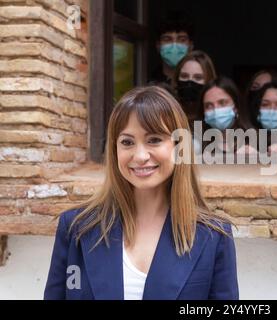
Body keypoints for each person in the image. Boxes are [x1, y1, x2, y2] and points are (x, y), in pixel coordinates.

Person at [44, 86, 239, 300]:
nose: (140, 156)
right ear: (114, 150)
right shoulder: (76, 228)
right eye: (127, 142)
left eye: (154, 139)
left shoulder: (213, 236)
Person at [196, 77, 253, 154]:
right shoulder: (196, 145)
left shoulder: (256, 141)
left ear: (236, 107)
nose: (216, 110)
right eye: (209, 106)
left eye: (222, 103)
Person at [172, 50, 217, 125]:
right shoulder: (167, 116)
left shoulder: (216, 119)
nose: (190, 82)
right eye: (184, 76)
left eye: (198, 77)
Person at [149, 11, 195, 84]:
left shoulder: (199, 84)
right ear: (158, 46)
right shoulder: (148, 85)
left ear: (191, 46)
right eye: (167, 39)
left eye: (182, 40)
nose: (175, 45)